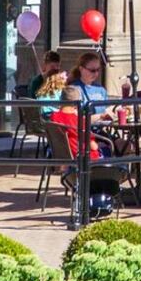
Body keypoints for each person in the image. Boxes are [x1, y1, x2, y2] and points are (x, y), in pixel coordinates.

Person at [47, 85, 121, 217]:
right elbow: (93, 146)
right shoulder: (79, 120)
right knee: (108, 149)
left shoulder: (54, 117)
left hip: (67, 159)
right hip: (86, 161)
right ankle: (102, 198)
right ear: (78, 103)